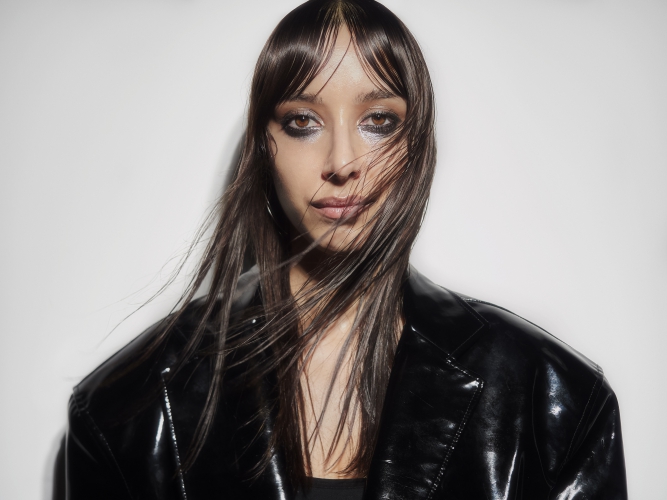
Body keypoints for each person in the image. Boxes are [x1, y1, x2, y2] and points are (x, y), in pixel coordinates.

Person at [64, 1, 627, 499]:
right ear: (264, 145)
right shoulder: (127, 409)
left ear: (416, 145)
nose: (341, 161)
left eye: (379, 121)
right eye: (302, 122)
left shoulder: (554, 399)